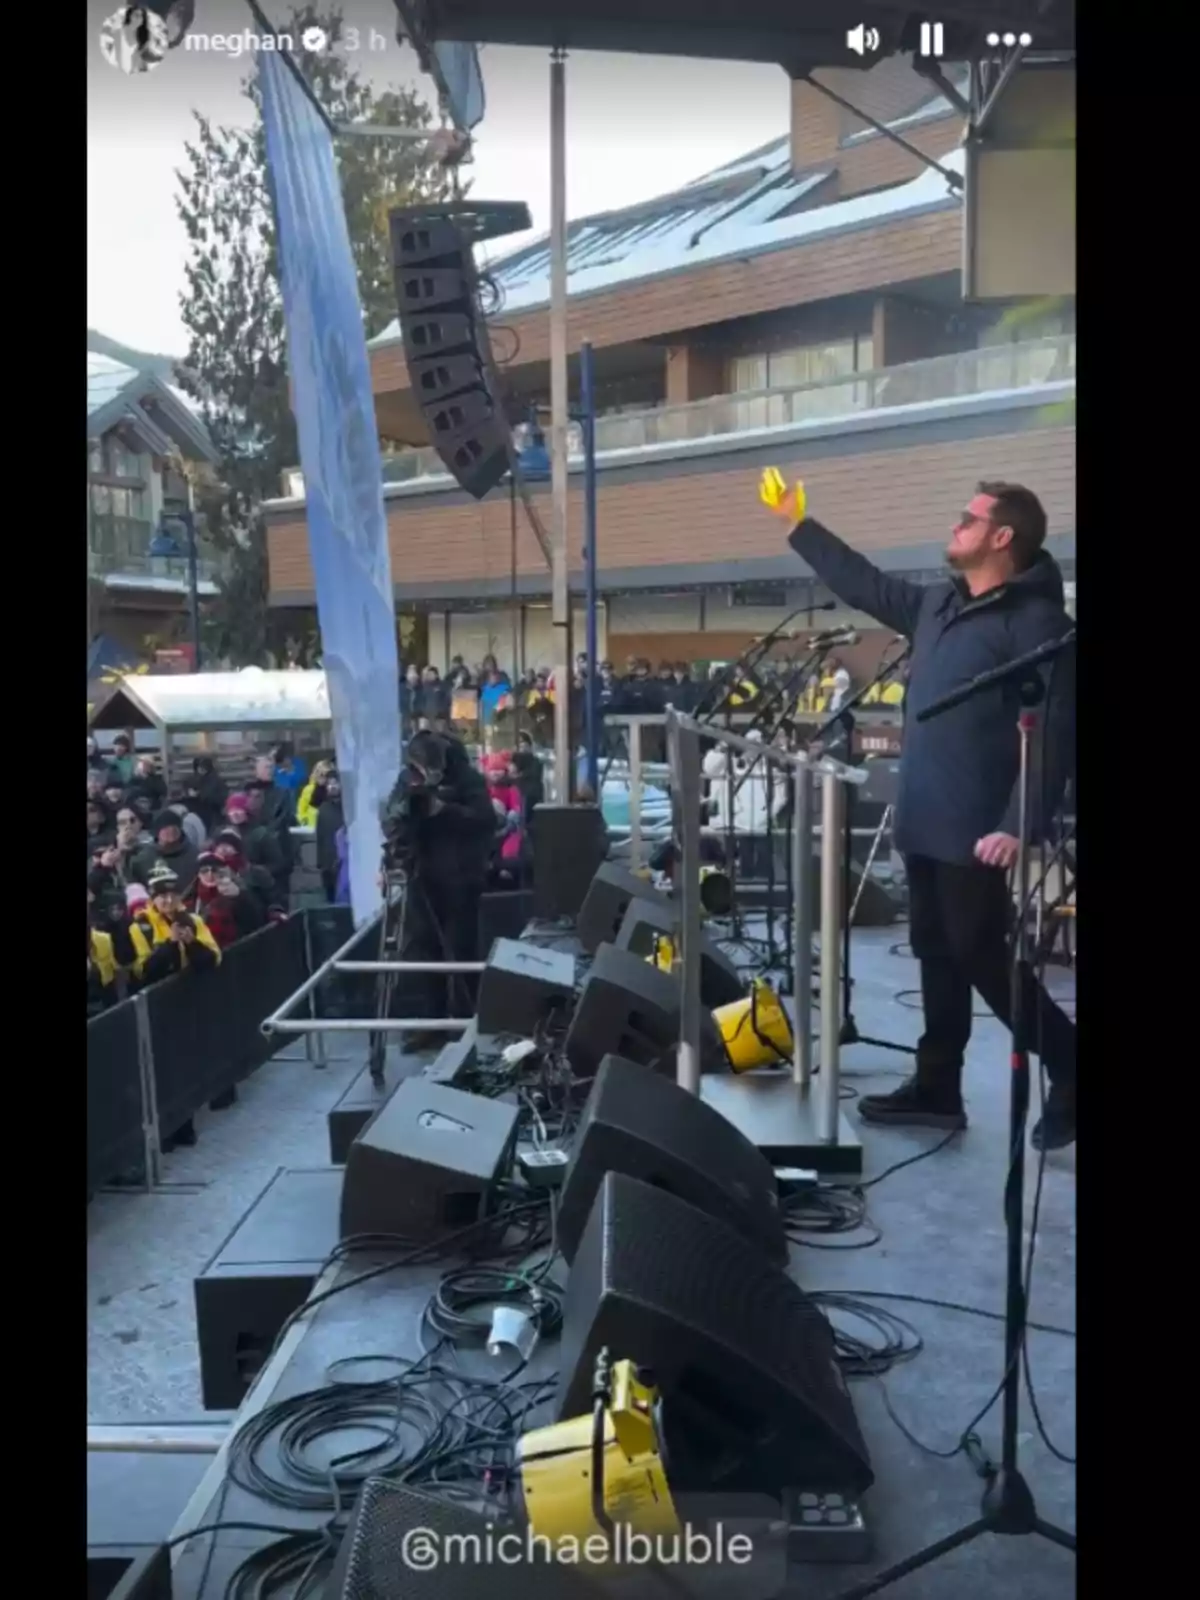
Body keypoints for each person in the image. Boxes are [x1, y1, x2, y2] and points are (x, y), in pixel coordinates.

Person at [768, 476, 1076, 1150]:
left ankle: (1070, 1058)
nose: (956, 525)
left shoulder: (1039, 626)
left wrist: (1017, 823)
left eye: (969, 518)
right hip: (925, 814)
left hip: (977, 828)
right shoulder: (939, 604)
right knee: (937, 952)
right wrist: (800, 525)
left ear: (1002, 537)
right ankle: (938, 1089)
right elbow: (866, 584)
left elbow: (1055, 734)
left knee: (980, 956)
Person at [382, 731, 495, 1051]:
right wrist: (400, 829)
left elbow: (486, 820)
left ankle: (463, 1020)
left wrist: (445, 810)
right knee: (423, 949)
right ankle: (430, 1021)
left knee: (461, 949)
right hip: (423, 874)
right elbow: (392, 818)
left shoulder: (468, 779)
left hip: (461, 877)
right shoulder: (407, 778)